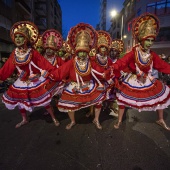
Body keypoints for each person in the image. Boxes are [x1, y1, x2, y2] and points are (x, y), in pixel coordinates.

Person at [107, 13, 170, 130]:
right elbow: (122, 62)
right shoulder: (133, 52)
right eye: (148, 40)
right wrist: (113, 67)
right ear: (141, 39)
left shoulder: (152, 55)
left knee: (161, 98)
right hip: (133, 79)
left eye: (152, 40)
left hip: (147, 79)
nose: (150, 43)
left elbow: (163, 65)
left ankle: (160, 119)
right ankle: (120, 120)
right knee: (122, 99)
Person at [0, 21, 60, 128]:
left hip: (35, 81)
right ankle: (24, 119)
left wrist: (55, 74)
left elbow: (44, 64)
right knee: (20, 102)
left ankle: (53, 117)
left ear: (26, 39)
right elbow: (7, 68)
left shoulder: (32, 52)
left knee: (44, 101)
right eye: (16, 37)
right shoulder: (14, 54)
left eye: (21, 37)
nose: (18, 39)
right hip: (21, 82)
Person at [51, 23, 107, 130]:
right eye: (80, 52)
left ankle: (96, 119)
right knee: (69, 105)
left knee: (99, 101)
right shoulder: (71, 62)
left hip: (89, 85)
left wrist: (107, 74)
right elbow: (60, 72)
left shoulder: (91, 62)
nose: (82, 54)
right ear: (76, 51)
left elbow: (101, 71)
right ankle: (72, 121)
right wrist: (50, 75)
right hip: (74, 87)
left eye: (84, 52)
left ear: (87, 52)